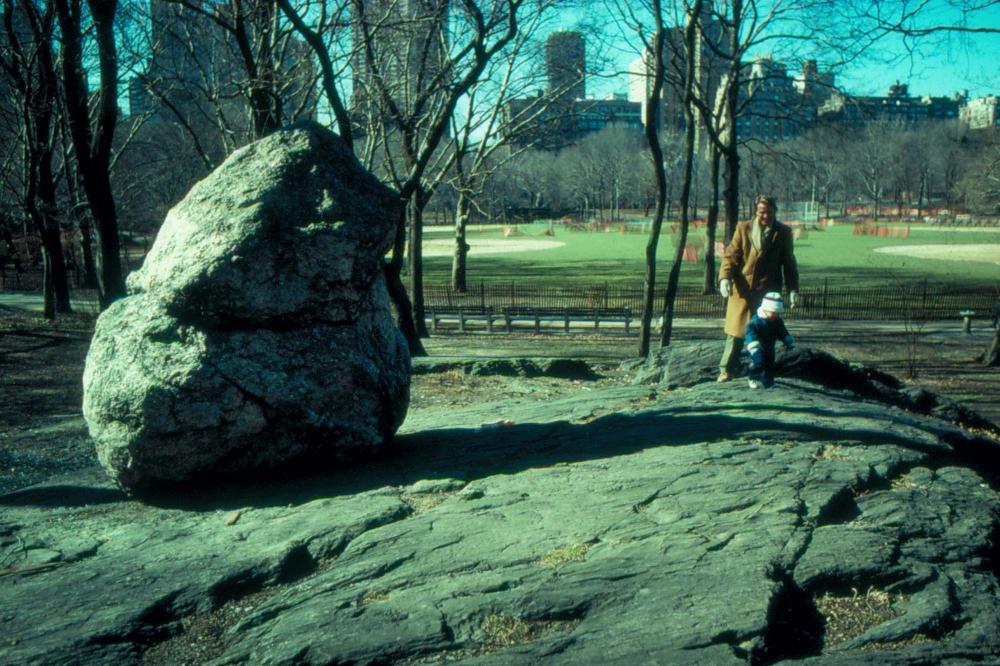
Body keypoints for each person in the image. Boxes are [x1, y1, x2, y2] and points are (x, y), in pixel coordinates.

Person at [717, 195, 799, 382]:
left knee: (766, 334)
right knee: (736, 333)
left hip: (767, 294)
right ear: (756, 211)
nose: (766, 216)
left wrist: (793, 289)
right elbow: (730, 257)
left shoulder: (783, 232)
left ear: (775, 212)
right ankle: (726, 369)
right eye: (762, 212)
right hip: (743, 291)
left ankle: (763, 372)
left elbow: (789, 263)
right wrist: (724, 278)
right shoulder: (743, 228)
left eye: (770, 212)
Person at [744, 292, 794, 388]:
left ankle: (768, 383)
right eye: (773, 312)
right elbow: (750, 332)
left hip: (770, 346)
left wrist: (787, 339)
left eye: (777, 313)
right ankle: (752, 376)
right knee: (759, 362)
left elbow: (782, 331)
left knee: (769, 365)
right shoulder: (756, 321)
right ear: (765, 309)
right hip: (757, 347)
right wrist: (753, 343)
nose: (775, 315)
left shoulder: (777, 321)